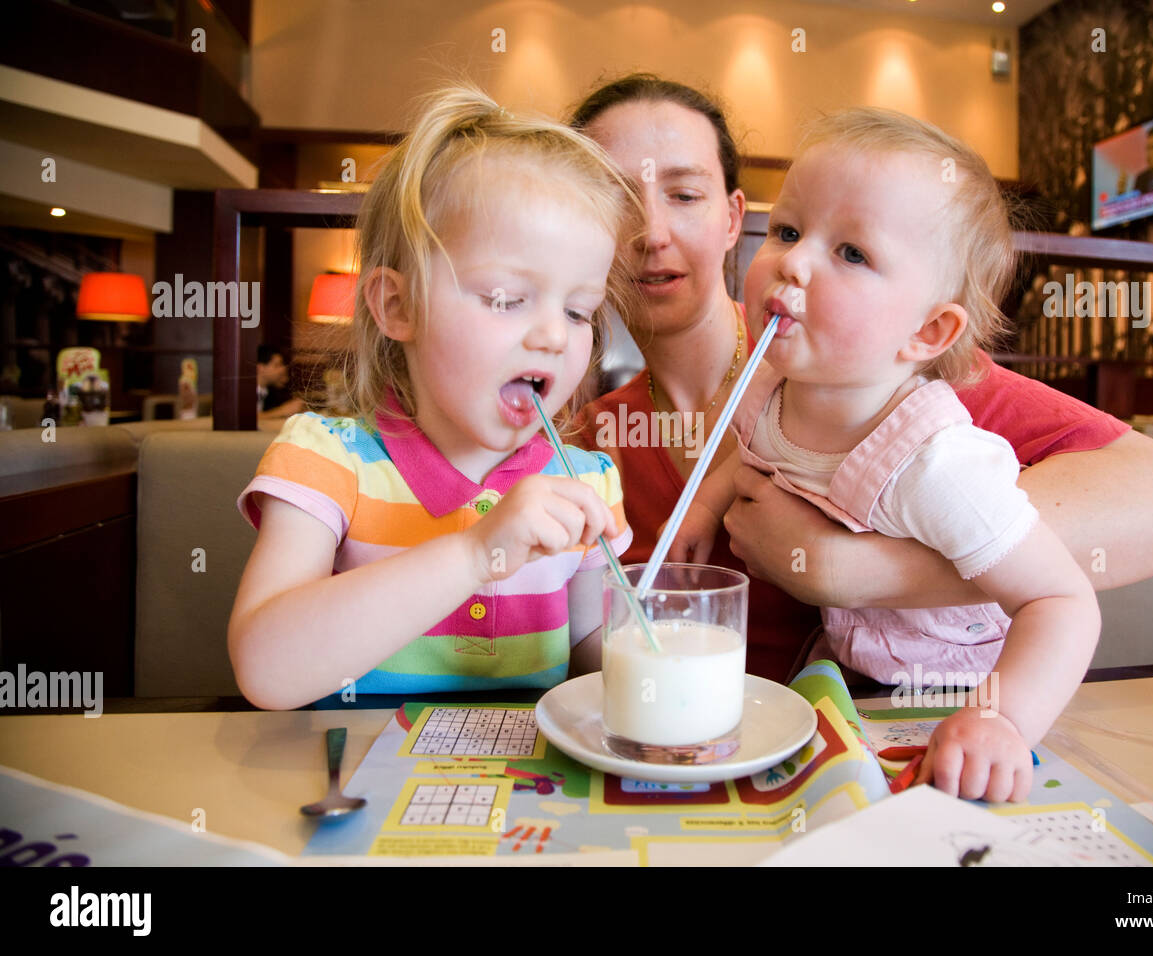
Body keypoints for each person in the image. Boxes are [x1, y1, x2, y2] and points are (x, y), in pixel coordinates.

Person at [569, 74, 1153, 691]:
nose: (649, 232)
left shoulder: (893, 376)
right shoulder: (585, 437)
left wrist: (857, 571)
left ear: (734, 218)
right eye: (615, 200)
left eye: (684, 195)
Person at [669, 108, 1101, 802]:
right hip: (855, 679)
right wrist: (706, 506)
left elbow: (1062, 600)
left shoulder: (937, 463)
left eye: (851, 253)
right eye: (787, 230)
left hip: (959, 690)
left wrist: (1001, 720)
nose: (793, 261)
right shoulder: (769, 381)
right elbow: (751, 456)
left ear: (927, 330)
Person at [227, 85, 638, 710]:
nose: (556, 335)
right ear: (397, 305)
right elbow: (265, 669)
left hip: (530, 797)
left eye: (580, 311)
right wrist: (477, 552)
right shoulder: (327, 461)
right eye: (505, 298)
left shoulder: (587, 484)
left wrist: (650, 661)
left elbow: (588, 661)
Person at [256, 345, 305, 419]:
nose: (283, 369)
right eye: (277, 365)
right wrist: (282, 411)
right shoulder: (241, 393)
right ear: (260, 368)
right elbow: (245, 419)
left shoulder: (269, 393)